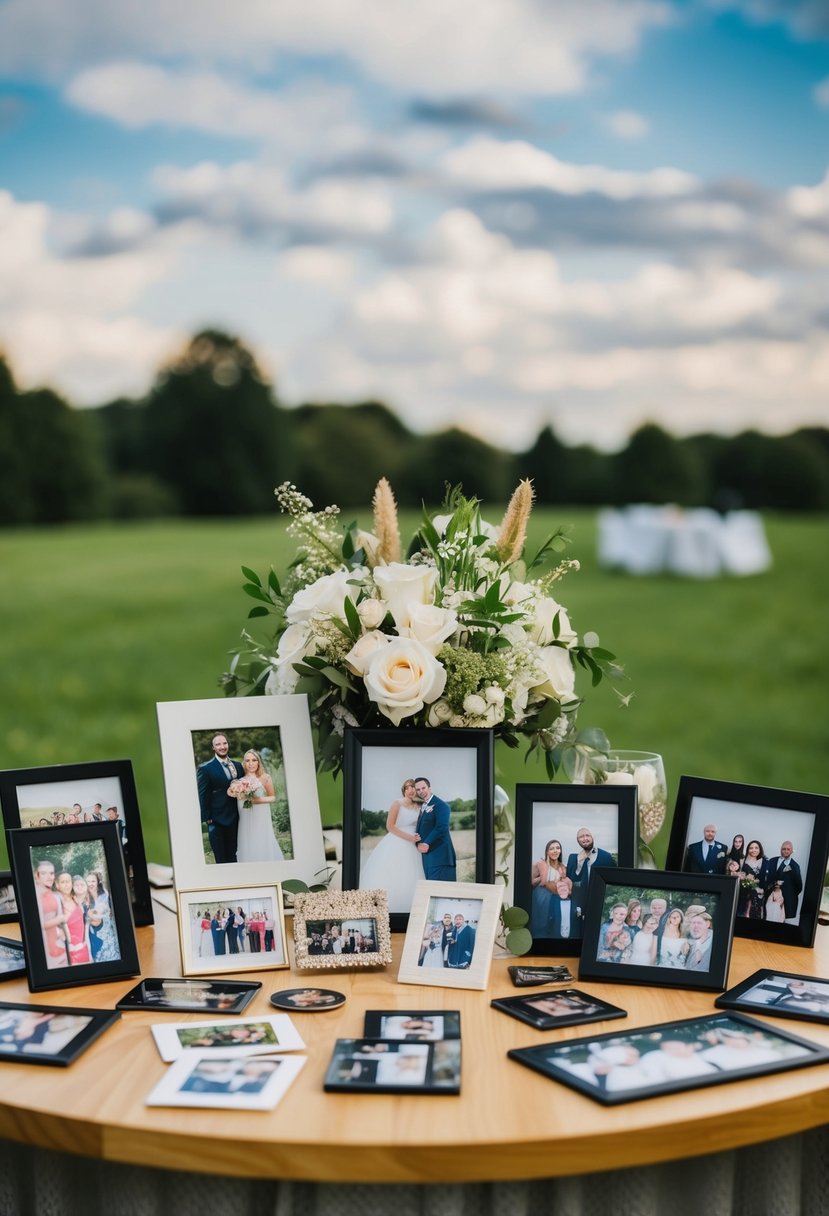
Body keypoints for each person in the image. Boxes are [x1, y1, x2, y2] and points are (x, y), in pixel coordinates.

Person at [360, 779, 425, 912]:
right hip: (398, 840)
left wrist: (417, 839)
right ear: (404, 790)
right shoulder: (397, 804)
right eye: (408, 787)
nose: (411, 790)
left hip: (414, 842)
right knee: (395, 872)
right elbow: (390, 826)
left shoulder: (419, 806)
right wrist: (409, 838)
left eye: (413, 787)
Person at [197, 734, 243, 864]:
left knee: (233, 854)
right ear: (213, 747)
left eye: (224, 743)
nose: (222, 747)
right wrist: (207, 818)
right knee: (221, 858)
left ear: (228, 744)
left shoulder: (238, 766)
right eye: (218, 744)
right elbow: (203, 794)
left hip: (236, 817)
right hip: (216, 819)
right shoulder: (205, 769)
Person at [234, 749, 284, 864]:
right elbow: (237, 797)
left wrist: (257, 800)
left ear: (258, 762)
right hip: (246, 816)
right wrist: (239, 793)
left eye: (254, 760)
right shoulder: (239, 781)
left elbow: (272, 797)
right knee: (248, 840)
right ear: (244, 763)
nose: (251, 763)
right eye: (247, 761)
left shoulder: (265, 777)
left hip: (261, 815)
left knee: (261, 838)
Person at [413, 778, 457, 880]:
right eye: (418, 789)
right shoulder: (423, 806)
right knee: (431, 892)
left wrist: (426, 843)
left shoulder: (442, 805)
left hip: (441, 857)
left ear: (430, 788)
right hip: (428, 858)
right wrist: (417, 843)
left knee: (442, 892)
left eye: (423, 788)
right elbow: (420, 829)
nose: (421, 791)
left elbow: (442, 827)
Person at [35, 859, 69, 969]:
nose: (49, 877)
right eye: (44, 873)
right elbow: (35, 925)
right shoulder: (35, 897)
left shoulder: (55, 896)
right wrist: (59, 919)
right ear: (37, 875)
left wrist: (61, 931)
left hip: (58, 944)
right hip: (44, 948)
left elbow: (60, 922)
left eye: (51, 873)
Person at [530, 840, 567, 936]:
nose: (555, 851)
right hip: (542, 895)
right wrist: (543, 877)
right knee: (540, 923)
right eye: (552, 849)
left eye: (558, 848)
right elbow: (532, 882)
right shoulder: (541, 863)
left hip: (556, 896)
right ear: (547, 852)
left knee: (554, 923)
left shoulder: (562, 867)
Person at [85, 870, 119, 963]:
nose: (90, 884)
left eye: (93, 881)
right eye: (88, 881)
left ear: (97, 882)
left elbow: (108, 912)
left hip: (107, 930)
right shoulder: (85, 897)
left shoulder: (104, 895)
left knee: (111, 952)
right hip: (94, 932)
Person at [56, 872, 90, 964]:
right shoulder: (57, 905)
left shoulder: (76, 899)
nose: (67, 885)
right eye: (63, 882)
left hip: (84, 949)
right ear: (57, 885)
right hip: (70, 954)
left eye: (68, 881)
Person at [764, 841, 802, 923]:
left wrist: (788, 894)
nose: (785, 851)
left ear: (792, 851)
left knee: (781, 922)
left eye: (788, 849)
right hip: (770, 896)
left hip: (785, 900)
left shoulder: (795, 866)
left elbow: (799, 886)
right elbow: (766, 877)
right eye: (783, 849)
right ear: (780, 850)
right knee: (767, 918)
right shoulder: (772, 861)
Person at [546, 876, 584, 941]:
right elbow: (550, 918)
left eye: (564, 886)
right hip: (556, 938)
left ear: (569, 888)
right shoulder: (553, 899)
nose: (562, 889)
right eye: (559, 887)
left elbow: (580, 919)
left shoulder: (577, 901)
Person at [738, 840, 767, 919]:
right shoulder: (743, 862)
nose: (753, 850)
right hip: (743, 894)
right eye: (751, 848)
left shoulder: (765, 862)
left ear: (760, 849)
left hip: (759, 895)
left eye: (756, 848)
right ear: (748, 849)